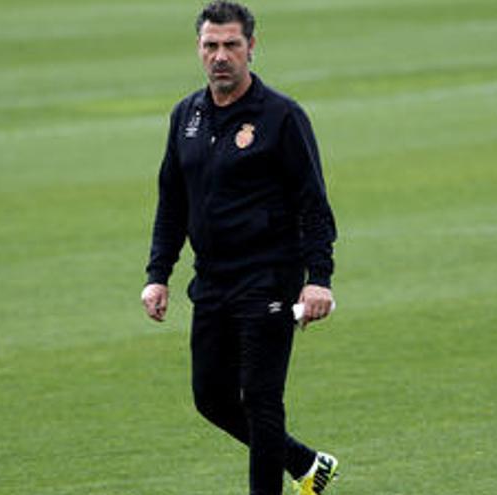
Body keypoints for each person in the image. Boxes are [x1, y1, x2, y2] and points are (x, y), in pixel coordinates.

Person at [140, 2, 340, 494]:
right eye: (211, 45)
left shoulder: (282, 117)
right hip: (212, 281)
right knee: (210, 396)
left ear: (252, 46)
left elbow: (314, 204)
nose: (221, 56)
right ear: (198, 49)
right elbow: (172, 200)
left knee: (262, 399)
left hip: (269, 278)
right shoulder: (186, 115)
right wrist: (158, 272)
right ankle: (307, 464)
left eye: (231, 44)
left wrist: (319, 278)